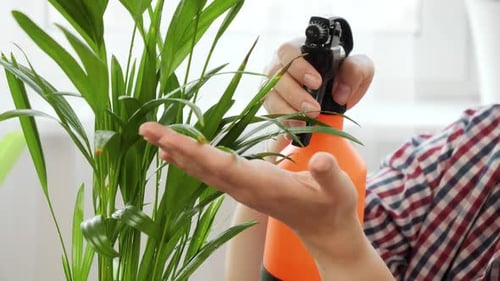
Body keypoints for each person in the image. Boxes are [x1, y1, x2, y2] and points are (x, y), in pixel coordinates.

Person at [139, 40, 499, 280]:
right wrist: (286, 148)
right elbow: (290, 251)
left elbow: (338, 241)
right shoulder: (478, 140)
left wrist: (337, 245)